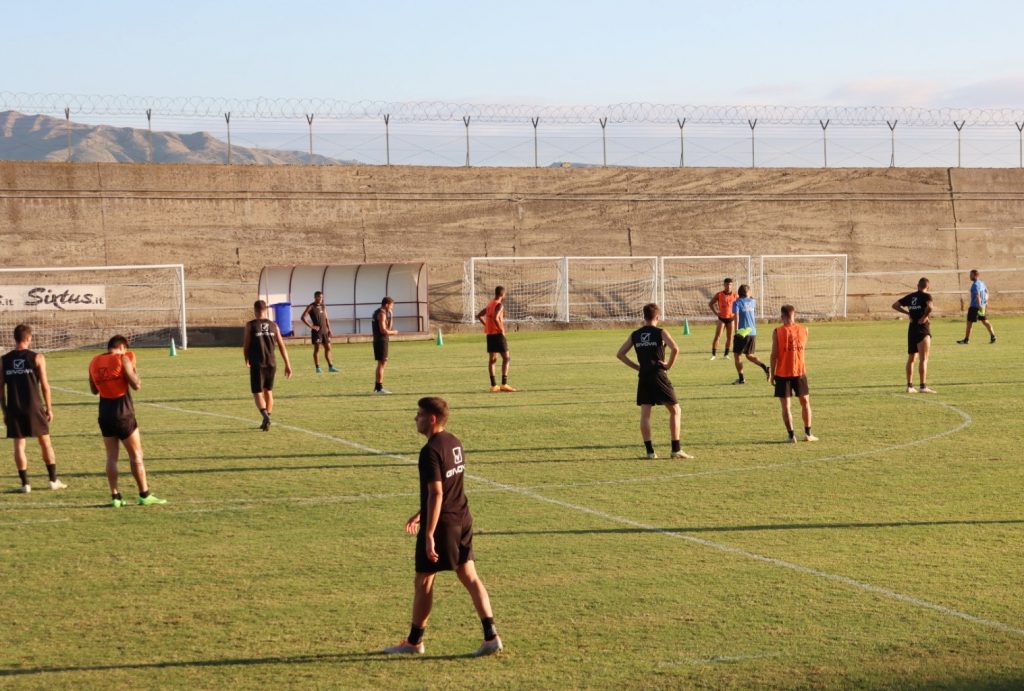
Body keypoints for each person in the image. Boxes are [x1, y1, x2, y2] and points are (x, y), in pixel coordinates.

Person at [384, 397, 503, 657]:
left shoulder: (430, 451)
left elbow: (437, 493)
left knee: (424, 580)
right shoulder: (454, 442)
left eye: (419, 414)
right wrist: (421, 512)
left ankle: (414, 643)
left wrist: (428, 533)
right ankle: (491, 636)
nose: (415, 418)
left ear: (432, 419)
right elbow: (448, 488)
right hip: (463, 517)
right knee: (470, 576)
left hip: (443, 524)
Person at [88, 335, 166, 506]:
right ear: (122, 346)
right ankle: (144, 495)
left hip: (104, 413)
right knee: (136, 456)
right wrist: (133, 370)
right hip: (123, 412)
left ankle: (115, 496)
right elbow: (136, 385)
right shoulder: (123, 359)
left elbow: (94, 389)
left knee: (111, 457)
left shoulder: (94, 361)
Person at [616, 303, 694, 460]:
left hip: (643, 376)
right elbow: (675, 348)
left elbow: (620, 354)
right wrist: (668, 365)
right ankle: (676, 449)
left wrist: (638, 367)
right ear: (657, 317)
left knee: (645, 415)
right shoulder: (661, 332)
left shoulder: (636, 334)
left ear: (643, 317)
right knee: (675, 411)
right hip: (658, 375)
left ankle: (650, 452)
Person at [1, 324, 66, 493]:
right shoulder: (37, 358)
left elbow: (0, 389)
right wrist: (49, 408)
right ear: (29, 338)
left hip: (14, 408)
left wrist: (5, 411)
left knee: (19, 445)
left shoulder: (4, 360)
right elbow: (45, 385)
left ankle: (25, 484)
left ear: (14, 339)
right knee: (45, 443)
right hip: (34, 407)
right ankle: (53, 480)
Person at [769, 305, 817, 443]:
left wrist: (772, 375)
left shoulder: (777, 331)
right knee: (805, 403)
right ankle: (808, 434)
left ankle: (791, 436)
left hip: (783, 374)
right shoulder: (804, 330)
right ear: (794, 314)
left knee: (786, 407)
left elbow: (774, 355)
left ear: (782, 316)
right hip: (799, 372)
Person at [244, 300, 293, 430]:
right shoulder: (274, 326)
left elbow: (246, 345)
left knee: (257, 393)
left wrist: (246, 358)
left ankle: (265, 416)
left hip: (257, 363)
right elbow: (282, 347)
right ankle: (267, 419)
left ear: (255, 310)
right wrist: (288, 365)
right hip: (272, 363)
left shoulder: (250, 325)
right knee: (269, 391)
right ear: (266, 310)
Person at [892, 278, 936, 393]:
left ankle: (910, 386)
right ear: (928, 287)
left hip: (912, 329)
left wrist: (908, 313)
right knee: (924, 359)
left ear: (917, 286)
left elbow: (895, 305)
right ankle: (922, 386)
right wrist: (924, 317)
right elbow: (930, 307)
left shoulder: (910, 297)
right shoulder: (927, 296)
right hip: (922, 328)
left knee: (911, 358)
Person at [476, 286, 515, 392]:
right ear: (502, 294)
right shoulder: (499, 305)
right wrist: (501, 329)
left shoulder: (490, 304)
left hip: (490, 335)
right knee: (506, 358)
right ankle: (504, 384)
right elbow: (495, 317)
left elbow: (479, 315)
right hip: (498, 334)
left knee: (492, 360)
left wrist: (487, 326)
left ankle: (493, 386)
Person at [731, 285, 771, 385]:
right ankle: (766, 368)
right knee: (749, 355)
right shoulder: (753, 302)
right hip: (752, 332)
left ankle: (741, 379)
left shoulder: (737, 303)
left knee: (737, 356)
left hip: (742, 333)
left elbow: (737, 317)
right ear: (748, 293)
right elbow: (750, 298)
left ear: (739, 293)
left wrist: (736, 331)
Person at [300, 291, 339, 373]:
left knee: (328, 348)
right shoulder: (311, 306)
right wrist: (311, 326)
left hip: (325, 331)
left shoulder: (323, 306)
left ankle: (330, 367)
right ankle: (317, 368)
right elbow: (302, 317)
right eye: (319, 297)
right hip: (317, 332)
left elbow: (326, 318)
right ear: (315, 297)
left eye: (322, 297)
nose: (321, 298)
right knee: (317, 349)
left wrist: (329, 330)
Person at [958, 269, 997, 345]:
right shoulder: (982, 283)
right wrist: (986, 302)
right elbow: (987, 292)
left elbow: (977, 295)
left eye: (971, 275)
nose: (970, 276)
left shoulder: (975, 285)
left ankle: (966, 340)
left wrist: (979, 305)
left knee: (969, 323)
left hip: (975, 307)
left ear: (975, 275)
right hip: (982, 306)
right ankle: (993, 336)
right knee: (985, 321)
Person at [372, 297, 398, 394]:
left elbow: (388, 327)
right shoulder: (381, 314)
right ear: (386, 304)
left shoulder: (379, 312)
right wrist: (394, 332)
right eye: (391, 305)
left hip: (380, 340)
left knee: (382, 364)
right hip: (381, 340)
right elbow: (383, 330)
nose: (392, 308)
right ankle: (379, 388)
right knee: (382, 364)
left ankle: (377, 387)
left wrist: (391, 316)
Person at [708, 277, 738, 360]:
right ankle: (713, 355)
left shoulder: (735, 295)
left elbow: (740, 304)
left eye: (730, 284)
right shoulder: (719, 294)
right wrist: (716, 312)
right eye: (727, 284)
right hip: (721, 318)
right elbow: (710, 304)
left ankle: (726, 354)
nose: (728, 286)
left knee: (729, 337)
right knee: (717, 336)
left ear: (732, 286)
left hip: (731, 318)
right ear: (724, 285)